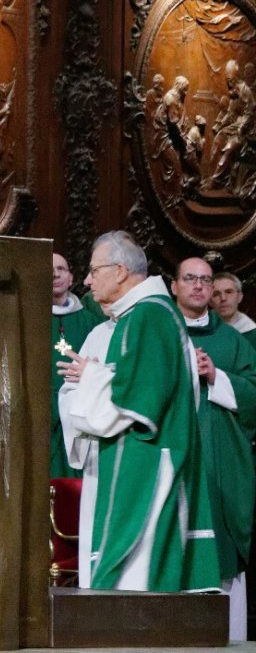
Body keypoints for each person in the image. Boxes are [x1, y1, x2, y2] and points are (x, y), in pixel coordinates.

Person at [56, 231, 219, 591]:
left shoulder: (149, 316)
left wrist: (91, 376)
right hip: (133, 458)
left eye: (93, 270)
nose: (86, 280)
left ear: (119, 271)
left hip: (146, 462)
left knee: (135, 583)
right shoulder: (140, 316)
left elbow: (138, 400)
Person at [171, 257, 256, 640]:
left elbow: (253, 392)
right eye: (190, 278)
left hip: (218, 463)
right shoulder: (156, 331)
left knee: (219, 557)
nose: (199, 286)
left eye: (206, 280)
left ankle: (228, 641)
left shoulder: (231, 341)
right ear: (174, 286)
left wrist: (215, 377)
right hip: (170, 462)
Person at [50, 253, 105, 477]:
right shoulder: (29, 318)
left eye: (61, 269)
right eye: (49, 269)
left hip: (82, 411)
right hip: (45, 415)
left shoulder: (92, 322)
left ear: (71, 277)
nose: (54, 274)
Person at [212, 272, 256, 344]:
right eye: (216, 294)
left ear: (239, 297)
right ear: (209, 301)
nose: (223, 298)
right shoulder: (197, 329)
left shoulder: (252, 334)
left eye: (229, 292)